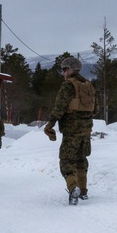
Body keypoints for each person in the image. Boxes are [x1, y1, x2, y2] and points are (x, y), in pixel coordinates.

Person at [44, 56, 97, 205]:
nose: (62, 73)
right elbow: (96, 109)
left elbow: (59, 107)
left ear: (68, 70)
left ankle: (73, 188)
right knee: (81, 160)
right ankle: (83, 191)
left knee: (67, 161)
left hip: (71, 131)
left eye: (63, 70)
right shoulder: (89, 86)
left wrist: (50, 124)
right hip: (86, 131)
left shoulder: (68, 86)